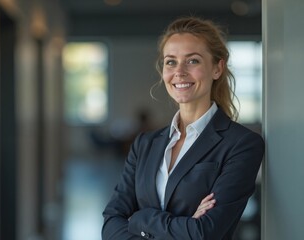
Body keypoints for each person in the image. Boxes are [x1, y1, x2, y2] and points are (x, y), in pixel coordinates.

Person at [101, 16, 264, 240]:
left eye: (193, 61)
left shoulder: (242, 144)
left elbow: (205, 232)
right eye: (171, 61)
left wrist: (140, 218)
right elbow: (111, 223)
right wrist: (183, 225)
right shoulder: (144, 144)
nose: (179, 71)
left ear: (217, 68)